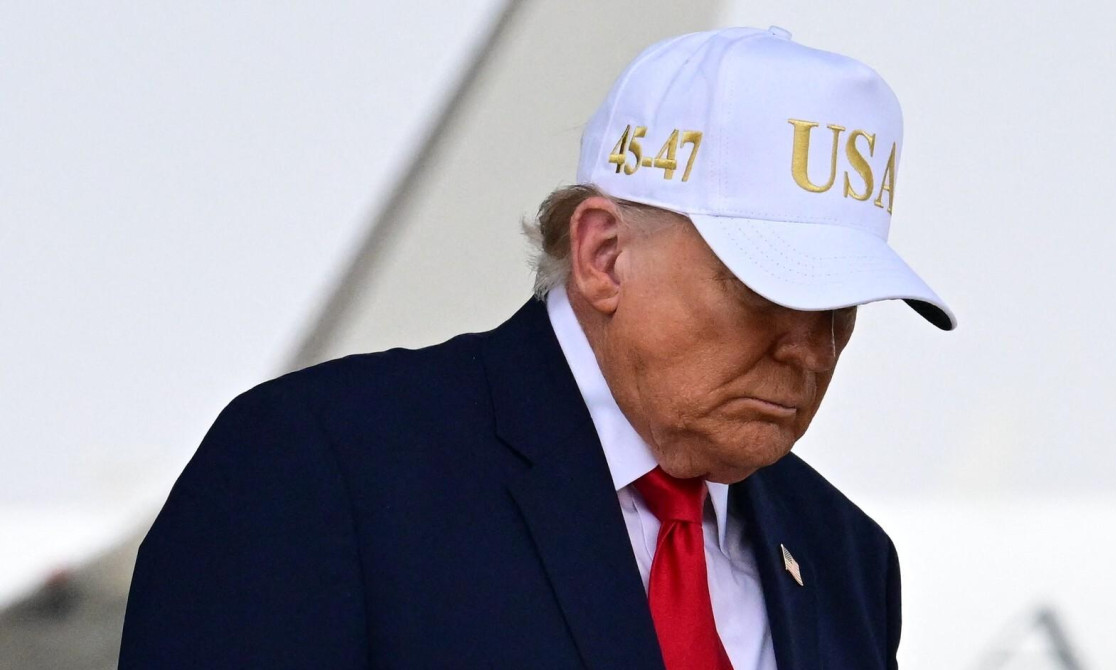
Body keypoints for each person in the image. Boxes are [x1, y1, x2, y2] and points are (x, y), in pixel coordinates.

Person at [119, 26, 954, 669]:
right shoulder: (323, 468)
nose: (810, 348)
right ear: (603, 255)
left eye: (842, 305)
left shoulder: (845, 556)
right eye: (765, 291)